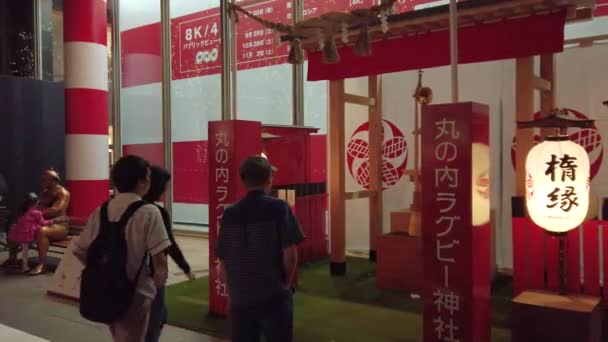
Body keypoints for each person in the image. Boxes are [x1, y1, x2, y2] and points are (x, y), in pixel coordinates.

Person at [74, 156, 171, 342]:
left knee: (119, 334)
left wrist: (102, 270)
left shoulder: (102, 210)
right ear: (142, 181)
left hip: (106, 289)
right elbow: (160, 260)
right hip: (137, 292)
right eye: (148, 177)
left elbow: (79, 249)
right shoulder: (149, 212)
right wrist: (156, 284)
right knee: (133, 337)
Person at [217, 155, 305, 342]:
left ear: (243, 180)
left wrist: (233, 295)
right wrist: (285, 285)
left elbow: (222, 262)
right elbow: (290, 257)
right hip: (273, 296)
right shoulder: (279, 208)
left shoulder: (229, 213)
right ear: (268, 179)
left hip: (241, 298)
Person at [142, 166, 195, 342]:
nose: (168, 188)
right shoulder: (156, 212)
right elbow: (168, 244)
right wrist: (185, 268)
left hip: (129, 273)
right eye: (166, 184)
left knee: (148, 317)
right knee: (155, 318)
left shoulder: (128, 208)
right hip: (152, 274)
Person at [2, 168, 71, 274]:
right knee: (15, 227)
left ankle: (42, 264)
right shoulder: (44, 192)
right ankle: (12, 258)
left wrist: (35, 214)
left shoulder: (63, 193)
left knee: (41, 231)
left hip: (59, 226)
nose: (42, 182)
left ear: (54, 180)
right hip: (40, 222)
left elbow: (56, 210)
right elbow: (37, 206)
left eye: (45, 180)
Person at [8, 193, 67, 273]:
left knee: (24, 248)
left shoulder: (27, 210)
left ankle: (16, 261)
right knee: (25, 249)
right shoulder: (37, 213)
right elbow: (43, 223)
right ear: (37, 203)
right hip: (27, 234)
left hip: (21, 232)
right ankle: (25, 266)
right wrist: (54, 221)